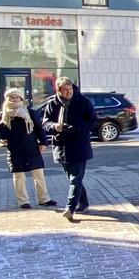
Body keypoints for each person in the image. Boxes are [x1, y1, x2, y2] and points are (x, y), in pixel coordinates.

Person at [41, 77, 97, 222]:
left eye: (70, 88)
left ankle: (70, 208)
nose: (68, 92)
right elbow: (45, 122)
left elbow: (92, 121)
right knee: (73, 179)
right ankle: (84, 203)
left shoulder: (83, 102)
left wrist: (78, 127)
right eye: (65, 90)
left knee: (75, 178)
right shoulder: (52, 103)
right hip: (62, 146)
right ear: (58, 90)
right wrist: (54, 126)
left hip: (79, 145)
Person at [0, 88, 58, 210]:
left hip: (31, 148)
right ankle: (23, 201)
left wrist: (43, 142)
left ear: (21, 98)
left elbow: (39, 128)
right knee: (19, 177)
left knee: (39, 175)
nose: (15, 100)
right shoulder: (4, 114)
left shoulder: (29, 113)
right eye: (12, 97)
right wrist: (1, 138)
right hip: (15, 150)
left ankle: (44, 199)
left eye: (17, 97)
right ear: (7, 99)